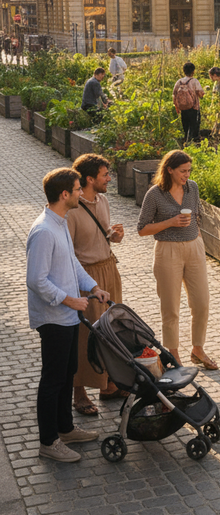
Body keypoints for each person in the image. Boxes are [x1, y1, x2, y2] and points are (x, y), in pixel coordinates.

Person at [27, 168, 110, 463]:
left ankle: (65, 428)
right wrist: (68, 300)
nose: (80, 194)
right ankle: (48, 442)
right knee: (53, 380)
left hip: (68, 315)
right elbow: (36, 280)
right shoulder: (43, 231)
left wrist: (93, 287)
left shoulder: (60, 223)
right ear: (65, 195)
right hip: (53, 318)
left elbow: (72, 263)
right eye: (77, 190)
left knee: (66, 373)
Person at [137, 150, 217, 370]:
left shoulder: (193, 187)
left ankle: (198, 349)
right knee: (170, 308)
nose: (187, 175)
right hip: (167, 251)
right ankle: (173, 354)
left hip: (194, 248)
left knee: (201, 303)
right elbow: (142, 229)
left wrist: (197, 238)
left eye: (189, 170)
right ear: (169, 170)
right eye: (183, 171)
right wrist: (171, 222)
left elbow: (197, 216)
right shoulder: (155, 194)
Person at [68, 154, 126, 416]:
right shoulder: (72, 209)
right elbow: (68, 254)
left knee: (112, 329)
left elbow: (103, 236)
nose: (109, 179)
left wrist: (115, 236)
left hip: (109, 269)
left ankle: (107, 384)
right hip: (86, 277)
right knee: (86, 335)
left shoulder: (102, 200)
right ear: (90, 179)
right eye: (105, 175)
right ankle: (78, 392)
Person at [173, 62, 204, 146]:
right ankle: (195, 144)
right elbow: (200, 94)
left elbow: (174, 94)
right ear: (193, 71)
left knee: (186, 127)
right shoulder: (194, 81)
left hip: (183, 108)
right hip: (194, 108)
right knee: (195, 127)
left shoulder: (179, 82)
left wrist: (177, 107)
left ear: (183, 71)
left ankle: (186, 143)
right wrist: (202, 94)